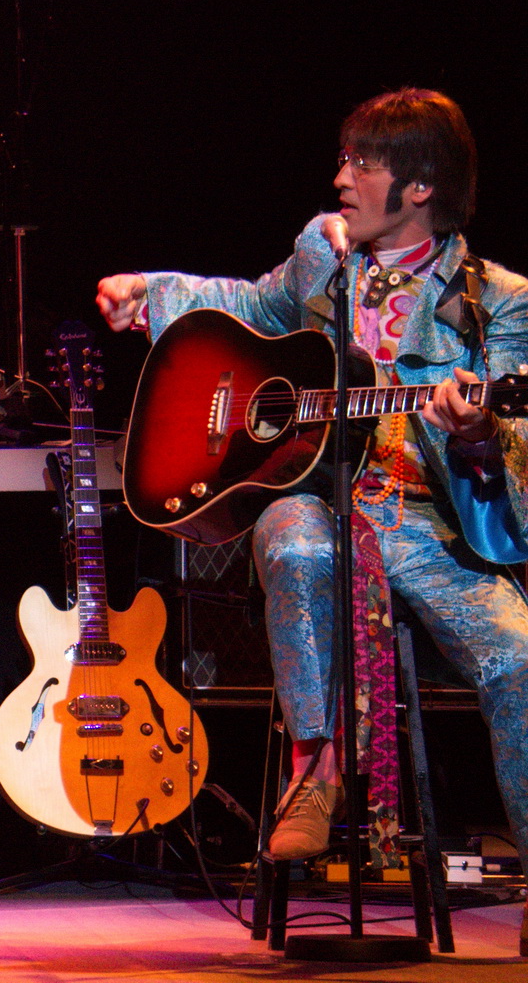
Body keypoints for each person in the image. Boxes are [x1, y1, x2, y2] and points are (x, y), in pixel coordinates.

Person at [96, 88, 527, 955]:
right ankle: (315, 768)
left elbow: (513, 439)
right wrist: (151, 293)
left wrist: (481, 429)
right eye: (344, 158)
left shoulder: (498, 299)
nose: (341, 178)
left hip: (429, 526)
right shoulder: (321, 258)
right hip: (321, 503)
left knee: (520, 659)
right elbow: (250, 308)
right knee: (292, 539)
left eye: (363, 163)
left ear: (420, 186)